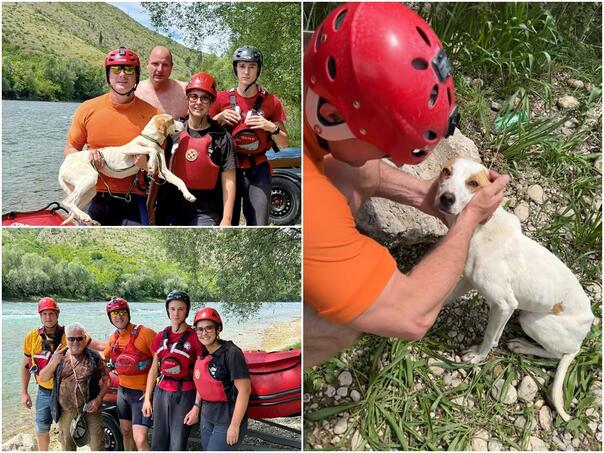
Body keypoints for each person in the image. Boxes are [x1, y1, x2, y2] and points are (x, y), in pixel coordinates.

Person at [303, 3, 510, 367]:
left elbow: (365, 170)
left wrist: (422, 195)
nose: (393, 158)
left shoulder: (308, 77)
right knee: (335, 324)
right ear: (332, 116)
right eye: (386, 143)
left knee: (358, 169)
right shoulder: (311, 202)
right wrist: (467, 221)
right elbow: (413, 315)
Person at [63, 47, 159, 226]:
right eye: (116, 69)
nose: (122, 75)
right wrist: (85, 163)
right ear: (108, 75)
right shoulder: (87, 108)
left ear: (137, 75)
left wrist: (145, 165)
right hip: (94, 194)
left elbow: (160, 164)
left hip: (133, 197)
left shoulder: (151, 115)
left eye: (129, 69)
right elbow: (71, 148)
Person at [210, 45, 289, 226]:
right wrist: (218, 119)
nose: (246, 71)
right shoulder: (221, 99)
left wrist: (270, 127)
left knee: (259, 223)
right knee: (227, 223)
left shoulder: (271, 102)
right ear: (235, 68)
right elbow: (203, 134)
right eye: (242, 66)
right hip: (229, 168)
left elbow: (284, 142)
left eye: (251, 67)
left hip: (258, 169)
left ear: (258, 70)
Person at [151, 72, 236, 226]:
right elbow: (158, 170)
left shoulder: (222, 137)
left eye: (204, 98)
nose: (198, 102)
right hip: (170, 206)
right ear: (188, 99)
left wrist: (227, 219)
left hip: (205, 209)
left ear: (211, 102)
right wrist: (150, 208)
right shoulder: (172, 131)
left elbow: (229, 180)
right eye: (194, 97)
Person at [142, 290, 204, 451]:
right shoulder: (161, 336)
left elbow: (201, 375)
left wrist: (196, 406)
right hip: (161, 393)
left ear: (187, 311)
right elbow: (154, 369)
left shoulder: (195, 337)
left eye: (181, 309)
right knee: (158, 441)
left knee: (177, 443)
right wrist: (148, 398)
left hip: (185, 393)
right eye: (172, 309)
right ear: (167, 310)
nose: (176, 313)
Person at [39, 322, 110, 451]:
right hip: (66, 410)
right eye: (71, 339)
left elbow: (107, 380)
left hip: (91, 409)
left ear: (85, 339)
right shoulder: (58, 356)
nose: (75, 342)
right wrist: (54, 361)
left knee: (97, 445)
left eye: (79, 338)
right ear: (66, 339)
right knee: (67, 445)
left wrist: (98, 399)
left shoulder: (94, 357)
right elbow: (42, 378)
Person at [190, 308, 251, 451]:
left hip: (227, 418)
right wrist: (196, 407)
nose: (204, 333)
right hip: (207, 416)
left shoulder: (231, 353)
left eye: (209, 328)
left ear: (218, 329)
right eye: (200, 329)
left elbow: (245, 390)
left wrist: (235, 425)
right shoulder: (203, 353)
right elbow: (203, 382)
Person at [103, 297, 156, 451]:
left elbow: (161, 359)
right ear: (110, 318)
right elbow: (104, 354)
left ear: (128, 313)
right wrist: (82, 344)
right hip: (123, 393)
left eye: (121, 312)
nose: (118, 316)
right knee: (126, 432)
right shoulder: (114, 338)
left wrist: (150, 392)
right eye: (114, 314)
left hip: (141, 395)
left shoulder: (145, 333)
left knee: (140, 440)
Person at [20, 298, 65, 451]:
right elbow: (26, 366)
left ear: (57, 314)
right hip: (44, 391)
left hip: (65, 391)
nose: (48, 317)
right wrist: (24, 392)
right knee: (41, 428)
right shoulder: (32, 337)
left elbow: (94, 346)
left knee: (67, 429)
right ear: (40, 316)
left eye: (51, 313)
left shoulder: (69, 335)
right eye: (44, 314)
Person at [135, 46, 188, 119]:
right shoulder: (135, 91)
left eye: (165, 65)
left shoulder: (186, 92)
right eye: (155, 64)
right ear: (147, 64)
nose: (160, 69)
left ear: (171, 67)